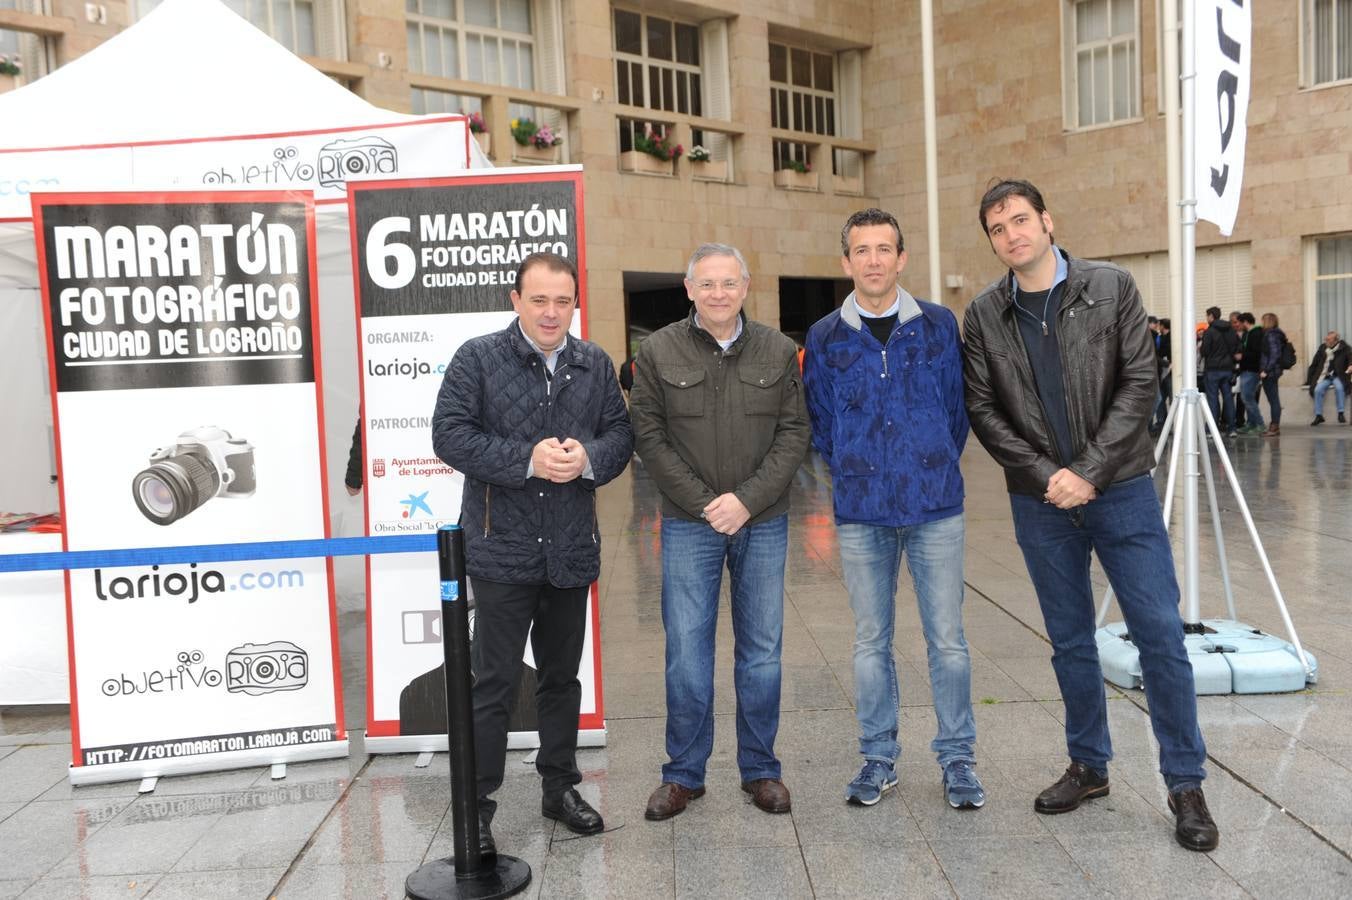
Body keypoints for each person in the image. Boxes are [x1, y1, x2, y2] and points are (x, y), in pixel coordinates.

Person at [961, 179, 1218, 852]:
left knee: (1160, 634)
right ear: (991, 241)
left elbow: (1141, 383)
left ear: (1048, 220)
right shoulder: (985, 315)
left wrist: (1090, 472)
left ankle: (1185, 783)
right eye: (997, 228)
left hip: (1123, 489)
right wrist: (1051, 477)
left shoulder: (1111, 288)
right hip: (1040, 502)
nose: (1012, 233)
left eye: (1021, 219)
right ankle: (1089, 765)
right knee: (1070, 640)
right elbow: (983, 410)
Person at [431, 251, 633, 857]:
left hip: (569, 551)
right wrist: (527, 461)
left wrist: (589, 460)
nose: (551, 312)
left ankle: (560, 788)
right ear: (515, 300)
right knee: (491, 683)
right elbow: (449, 434)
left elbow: (621, 436)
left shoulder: (593, 363)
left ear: (575, 303)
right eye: (539, 300)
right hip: (501, 551)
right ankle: (478, 807)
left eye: (563, 301)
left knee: (561, 680)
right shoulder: (479, 358)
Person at [802, 208, 983, 811]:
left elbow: (956, 414)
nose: (874, 260)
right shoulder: (825, 336)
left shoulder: (936, 324)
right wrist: (861, 468)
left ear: (901, 258)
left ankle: (958, 759)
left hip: (935, 507)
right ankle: (878, 758)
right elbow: (821, 424)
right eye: (862, 250)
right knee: (870, 641)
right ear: (846, 261)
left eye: (885, 249)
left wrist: (926, 461)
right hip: (861, 512)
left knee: (948, 641)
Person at [630, 242, 809, 821]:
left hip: (765, 519)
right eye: (706, 284)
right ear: (689, 290)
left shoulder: (779, 350)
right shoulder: (656, 351)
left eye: (728, 283)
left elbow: (793, 434)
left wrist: (747, 501)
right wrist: (710, 505)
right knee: (686, 652)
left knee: (761, 652)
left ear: (746, 286)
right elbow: (649, 439)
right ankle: (683, 775)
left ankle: (761, 770)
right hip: (689, 523)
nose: (717, 294)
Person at [1199, 306, 1240, 437]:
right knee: (1228, 399)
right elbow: (1237, 347)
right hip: (1227, 369)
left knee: (1212, 400)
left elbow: (1204, 351)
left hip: (1212, 370)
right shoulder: (1231, 330)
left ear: (1211, 316)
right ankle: (1232, 428)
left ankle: (1212, 430)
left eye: (1207, 316)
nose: (1206, 318)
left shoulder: (1209, 331)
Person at [1306, 331, 1352, 425]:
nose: (1326, 340)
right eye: (1326, 339)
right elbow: (1315, 363)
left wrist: (1350, 365)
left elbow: (1350, 358)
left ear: (1335, 341)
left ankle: (1341, 413)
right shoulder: (1323, 348)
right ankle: (1319, 415)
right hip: (1325, 376)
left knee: (1340, 387)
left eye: (1328, 339)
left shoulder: (1345, 348)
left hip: (1338, 375)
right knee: (1317, 390)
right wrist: (1309, 379)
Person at [1258, 313, 1287, 437]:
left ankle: (1274, 427)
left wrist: (1266, 370)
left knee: (1274, 400)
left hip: (1270, 372)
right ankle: (1274, 426)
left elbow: (1275, 354)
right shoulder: (1275, 334)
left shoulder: (1271, 335)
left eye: (1263, 320)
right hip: (1273, 371)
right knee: (1273, 399)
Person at [1237, 313, 1265, 434]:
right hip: (1245, 369)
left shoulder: (1256, 334)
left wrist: (1242, 356)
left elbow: (1257, 353)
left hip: (1252, 370)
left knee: (1247, 397)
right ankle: (1251, 423)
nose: (1238, 325)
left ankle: (1259, 423)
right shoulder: (1247, 334)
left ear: (1245, 322)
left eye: (1240, 323)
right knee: (1247, 397)